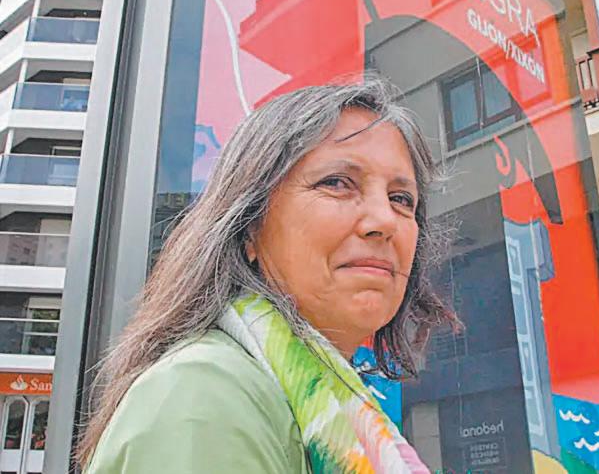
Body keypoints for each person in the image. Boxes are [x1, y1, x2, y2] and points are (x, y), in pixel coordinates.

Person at [79, 77, 453, 473]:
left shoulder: (328, 412)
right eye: (337, 183)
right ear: (249, 227)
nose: (384, 220)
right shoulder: (206, 396)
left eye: (401, 199)